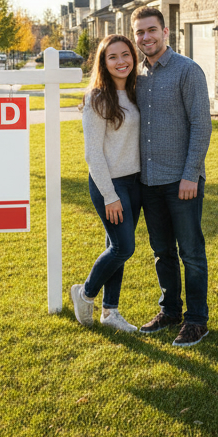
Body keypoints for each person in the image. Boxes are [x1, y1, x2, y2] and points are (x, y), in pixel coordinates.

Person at [131, 6, 213, 347]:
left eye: (151, 30)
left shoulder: (187, 71)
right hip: (148, 182)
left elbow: (201, 125)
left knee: (190, 252)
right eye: (139, 32)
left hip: (182, 181)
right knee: (162, 251)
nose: (145, 37)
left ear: (166, 32)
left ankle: (197, 320)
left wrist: (191, 174)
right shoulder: (136, 75)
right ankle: (170, 311)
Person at [69, 34, 143, 333]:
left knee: (115, 246)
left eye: (125, 54)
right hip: (109, 185)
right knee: (123, 248)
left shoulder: (137, 92)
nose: (121, 61)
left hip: (136, 182)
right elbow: (93, 153)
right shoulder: (96, 98)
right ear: (103, 62)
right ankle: (85, 293)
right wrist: (110, 195)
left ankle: (110, 312)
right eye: (113, 57)